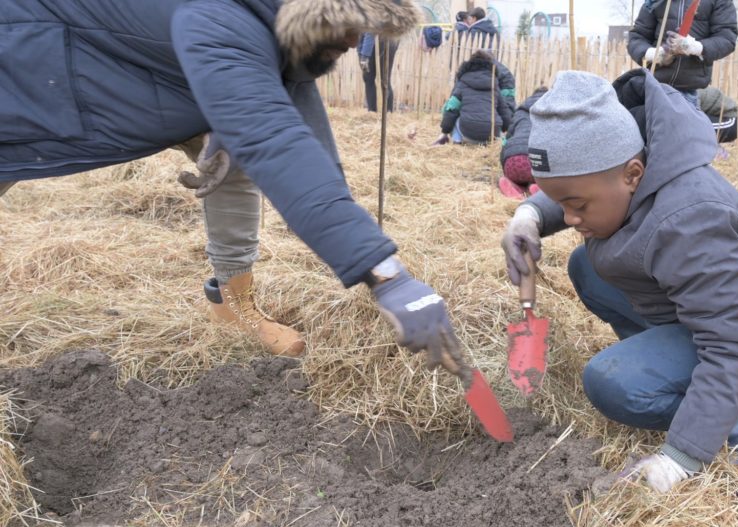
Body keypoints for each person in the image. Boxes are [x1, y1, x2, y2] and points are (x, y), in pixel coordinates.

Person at [1, 0, 467, 370]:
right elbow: (273, 140)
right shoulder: (219, 18)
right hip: (29, 59)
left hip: (147, 70)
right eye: (351, 23)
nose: (355, 39)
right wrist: (387, 278)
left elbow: (306, 145)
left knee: (234, 159)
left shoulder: (275, 24)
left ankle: (232, 304)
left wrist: (368, 251)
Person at [500, 70, 738, 492]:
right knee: (587, 267)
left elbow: (735, 345)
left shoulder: (691, 219)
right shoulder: (630, 168)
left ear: (633, 174)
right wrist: (531, 215)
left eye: (576, 206)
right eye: (560, 203)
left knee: (612, 384)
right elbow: (581, 183)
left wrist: (681, 457)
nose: (570, 219)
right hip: (704, 311)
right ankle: (671, 368)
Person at [627, 0, 738, 108]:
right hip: (654, 87)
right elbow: (637, 37)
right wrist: (657, 55)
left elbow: (727, 38)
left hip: (691, 90)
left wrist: (693, 47)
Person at [432, 50, 513, 146]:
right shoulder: (494, 85)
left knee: (454, 113)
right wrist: (506, 131)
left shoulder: (463, 82)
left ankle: (457, 142)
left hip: (468, 132)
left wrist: (444, 132)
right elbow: (504, 111)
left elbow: (451, 109)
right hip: (491, 135)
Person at [499, 87, 548, 198]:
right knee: (545, 178)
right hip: (537, 163)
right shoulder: (551, 113)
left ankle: (514, 186)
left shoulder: (519, 112)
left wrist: (504, 164)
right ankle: (538, 189)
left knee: (517, 176)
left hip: (512, 161)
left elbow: (506, 141)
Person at [359, 33, 400, 113]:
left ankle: (381, 112)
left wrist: (364, 55)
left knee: (378, 79)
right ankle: (379, 113)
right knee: (380, 79)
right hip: (388, 39)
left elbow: (370, 31)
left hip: (379, 40)